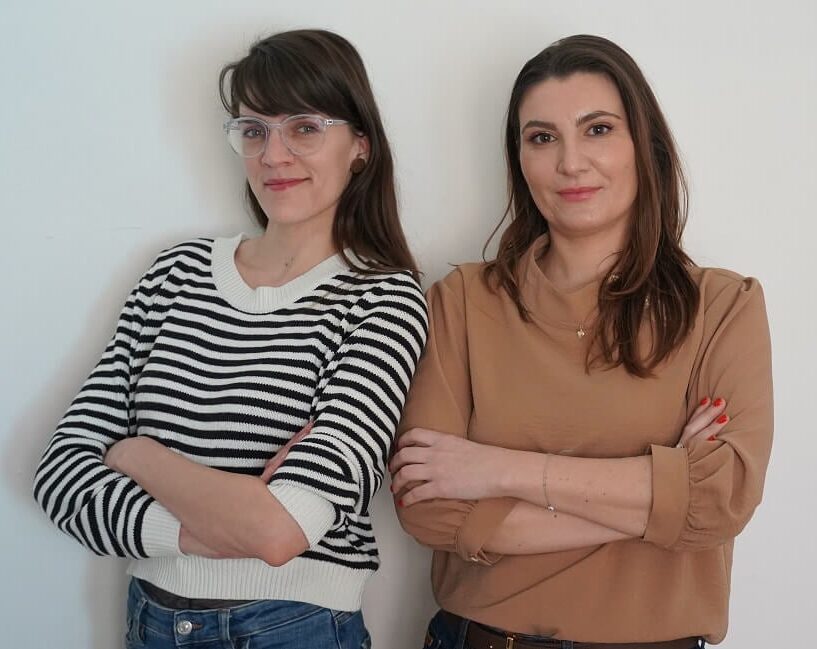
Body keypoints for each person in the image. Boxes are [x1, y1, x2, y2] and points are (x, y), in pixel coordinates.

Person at [33, 29, 428, 649]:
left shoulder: (382, 299)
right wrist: (202, 528)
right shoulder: (176, 273)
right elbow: (60, 474)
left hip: (293, 628)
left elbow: (279, 532)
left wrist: (136, 453)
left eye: (304, 128)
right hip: (151, 621)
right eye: (253, 130)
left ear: (360, 145)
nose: (274, 154)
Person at [391, 34, 772, 649]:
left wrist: (495, 470)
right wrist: (664, 495)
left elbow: (721, 498)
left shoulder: (723, 307)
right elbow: (429, 508)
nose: (571, 162)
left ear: (644, 145)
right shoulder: (460, 301)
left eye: (597, 129)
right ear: (519, 159)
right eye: (542, 137)